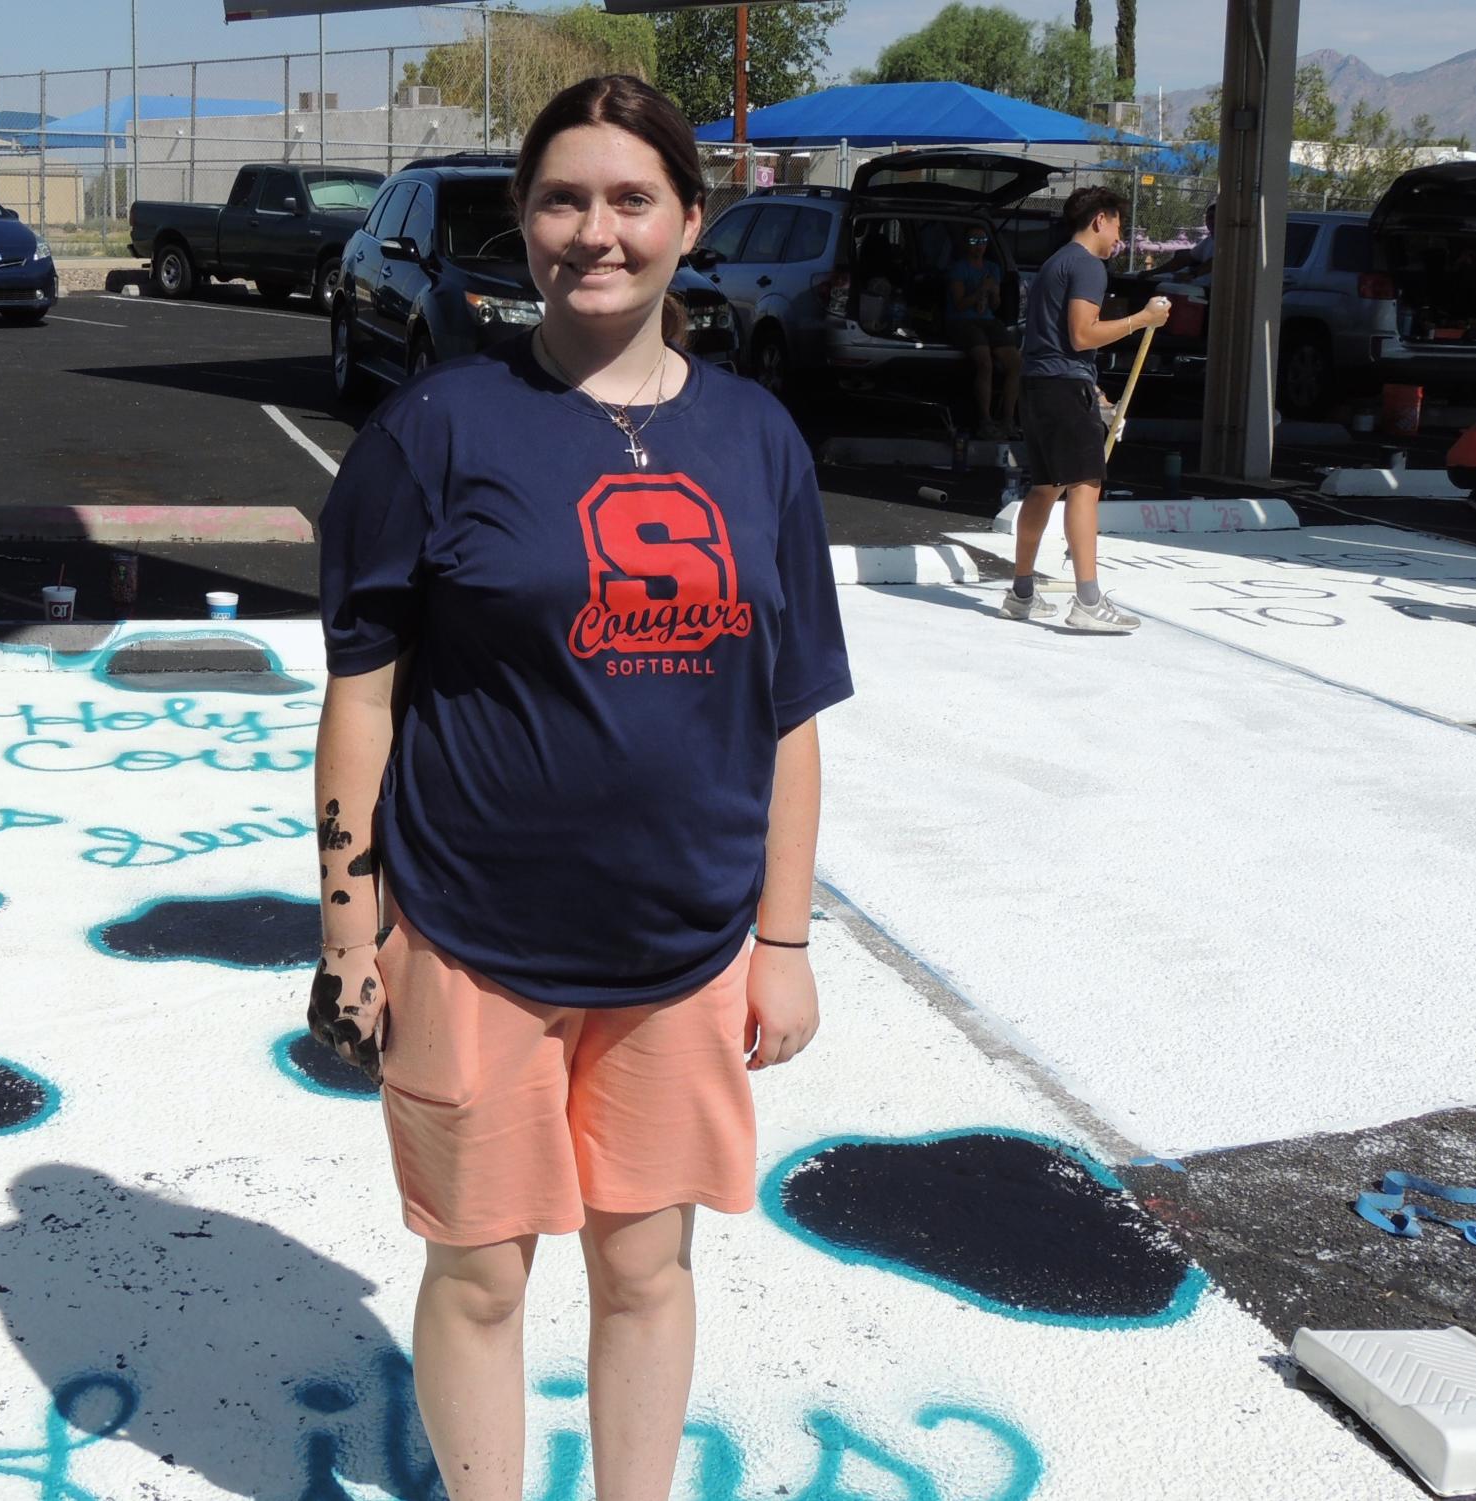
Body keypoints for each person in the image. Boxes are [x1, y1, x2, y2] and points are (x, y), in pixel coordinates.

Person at [309, 74, 851, 1501]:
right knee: (480, 1270)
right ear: (523, 223)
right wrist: (349, 938)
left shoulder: (758, 443)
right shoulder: (435, 432)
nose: (593, 232)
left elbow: (789, 714)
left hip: (679, 944)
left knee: (645, 1262)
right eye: (561, 199)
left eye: (629, 199)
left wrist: (781, 944)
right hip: (471, 934)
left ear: (689, 219)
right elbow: (362, 695)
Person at [1003, 187, 1169, 633]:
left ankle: (1021, 592)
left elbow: (1057, 341)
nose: (1120, 236)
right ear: (1100, 219)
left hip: (1040, 383)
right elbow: (1081, 334)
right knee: (1084, 485)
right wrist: (1142, 319)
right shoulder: (1087, 266)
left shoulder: (1056, 263)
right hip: (1060, 386)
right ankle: (1089, 601)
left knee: (1045, 486)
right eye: (1118, 224)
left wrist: (1093, 392)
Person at [944, 227, 1020, 438]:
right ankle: (985, 420)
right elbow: (959, 304)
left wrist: (993, 292)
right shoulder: (959, 269)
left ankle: (1008, 419)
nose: (979, 246)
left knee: (1015, 363)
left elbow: (995, 306)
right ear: (966, 244)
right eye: (974, 240)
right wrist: (979, 291)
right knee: (984, 362)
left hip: (987, 320)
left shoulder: (992, 269)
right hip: (962, 320)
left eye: (982, 241)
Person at [1151, 200, 1216, 281]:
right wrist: (1153, 272)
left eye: (1216, 217)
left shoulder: (1228, 241)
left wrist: (1192, 274)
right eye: (1210, 218)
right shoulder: (1208, 241)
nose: (1212, 221)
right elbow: (1185, 259)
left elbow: (1215, 262)